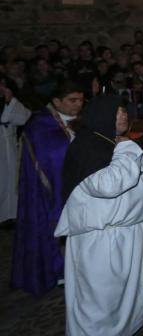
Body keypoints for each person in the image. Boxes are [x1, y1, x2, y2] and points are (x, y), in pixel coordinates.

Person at [56, 94, 143, 335]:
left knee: (129, 297)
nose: (123, 115)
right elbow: (109, 185)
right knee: (101, 302)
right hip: (102, 239)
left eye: (125, 110)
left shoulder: (115, 141)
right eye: (117, 111)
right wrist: (126, 146)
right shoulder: (89, 146)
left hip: (131, 231)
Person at [11, 81, 84, 296]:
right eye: (72, 100)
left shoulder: (82, 119)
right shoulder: (40, 125)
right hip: (50, 191)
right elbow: (52, 156)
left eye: (81, 100)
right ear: (56, 101)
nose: (78, 105)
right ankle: (57, 271)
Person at [1, 78, 32, 223]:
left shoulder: (14, 102)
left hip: (9, 147)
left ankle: (10, 214)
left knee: (10, 179)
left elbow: (23, 118)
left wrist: (9, 102)